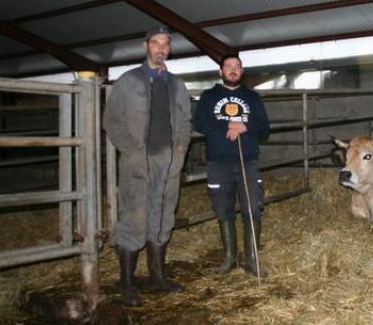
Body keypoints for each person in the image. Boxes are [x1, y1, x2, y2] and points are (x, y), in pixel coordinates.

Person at [103, 25, 191, 306]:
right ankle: (127, 284)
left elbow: (185, 122)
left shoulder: (177, 84)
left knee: (164, 214)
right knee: (135, 217)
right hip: (138, 161)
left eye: (165, 43)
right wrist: (131, 152)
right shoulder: (128, 81)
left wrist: (180, 149)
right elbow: (112, 121)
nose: (161, 48)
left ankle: (157, 277)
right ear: (146, 46)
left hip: (169, 160)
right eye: (156, 42)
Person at [193, 54, 270, 277]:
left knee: (252, 209)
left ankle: (252, 259)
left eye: (237, 67)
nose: (233, 70)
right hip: (218, 162)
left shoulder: (252, 98)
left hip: (248, 161)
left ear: (242, 71)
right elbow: (200, 123)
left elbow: (264, 127)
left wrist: (244, 125)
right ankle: (229, 258)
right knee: (223, 208)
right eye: (228, 66)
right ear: (221, 71)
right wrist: (229, 123)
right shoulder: (209, 96)